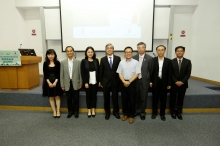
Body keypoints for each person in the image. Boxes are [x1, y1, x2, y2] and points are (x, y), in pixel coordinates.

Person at [117, 46, 140, 124]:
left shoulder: (136, 62)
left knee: (132, 100)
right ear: (124, 53)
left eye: (129, 52)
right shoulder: (121, 62)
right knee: (124, 99)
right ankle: (125, 114)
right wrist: (124, 81)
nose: (128, 54)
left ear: (132, 53)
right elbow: (119, 73)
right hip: (123, 83)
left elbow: (137, 73)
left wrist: (129, 81)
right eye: (126, 52)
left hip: (132, 83)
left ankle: (131, 116)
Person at [150, 45, 171, 121]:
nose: (160, 51)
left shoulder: (169, 61)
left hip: (164, 82)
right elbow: (151, 72)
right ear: (156, 51)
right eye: (159, 50)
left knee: (163, 99)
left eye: (162, 50)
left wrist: (169, 84)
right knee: (154, 99)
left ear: (165, 51)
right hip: (155, 82)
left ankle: (162, 114)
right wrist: (150, 81)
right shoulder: (153, 60)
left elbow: (170, 73)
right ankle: (154, 113)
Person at [133, 42, 154, 120]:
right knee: (136, 97)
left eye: (142, 47)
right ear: (137, 49)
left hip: (145, 81)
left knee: (143, 97)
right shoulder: (134, 57)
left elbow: (151, 71)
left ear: (145, 48)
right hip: (135, 81)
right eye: (139, 47)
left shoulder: (150, 58)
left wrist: (150, 81)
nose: (141, 49)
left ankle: (142, 112)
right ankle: (136, 110)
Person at [100, 43, 121, 120]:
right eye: (107, 48)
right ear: (105, 50)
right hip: (106, 82)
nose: (109, 49)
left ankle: (116, 112)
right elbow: (101, 72)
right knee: (106, 98)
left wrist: (119, 82)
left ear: (113, 49)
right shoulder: (103, 59)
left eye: (111, 48)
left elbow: (120, 71)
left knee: (115, 98)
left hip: (115, 82)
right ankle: (107, 112)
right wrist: (101, 82)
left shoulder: (118, 58)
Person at [60, 46, 82, 119]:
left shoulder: (78, 62)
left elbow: (80, 74)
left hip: (76, 83)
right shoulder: (62, 62)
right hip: (67, 83)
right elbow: (61, 74)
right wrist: (62, 84)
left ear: (73, 51)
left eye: (71, 51)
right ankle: (70, 112)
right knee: (68, 99)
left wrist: (80, 83)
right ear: (66, 52)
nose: (69, 52)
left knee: (76, 99)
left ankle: (76, 112)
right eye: (68, 51)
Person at [170, 46, 192, 120]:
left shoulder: (188, 61)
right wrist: (176, 81)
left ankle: (179, 112)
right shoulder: (171, 61)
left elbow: (188, 73)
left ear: (184, 52)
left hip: (183, 84)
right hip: (174, 84)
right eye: (178, 51)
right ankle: (172, 112)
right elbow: (170, 73)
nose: (179, 52)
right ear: (175, 52)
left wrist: (182, 81)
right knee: (172, 98)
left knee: (180, 98)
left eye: (181, 51)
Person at [81, 46, 100, 118]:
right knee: (88, 96)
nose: (90, 53)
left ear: (93, 53)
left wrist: (99, 81)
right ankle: (89, 110)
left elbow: (98, 72)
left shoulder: (96, 60)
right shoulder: (83, 61)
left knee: (94, 96)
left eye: (91, 52)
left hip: (95, 81)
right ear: (86, 53)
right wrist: (85, 82)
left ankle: (93, 110)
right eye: (88, 52)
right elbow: (82, 73)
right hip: (87, 82)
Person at [43, 49, 62, 118]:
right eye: (49, 55)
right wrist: (49, 83)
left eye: (52, 54)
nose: (50, 56)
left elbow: (59, 73)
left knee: (57, 97)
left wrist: (55, 82)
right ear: (47, 55)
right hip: (48, 82)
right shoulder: (45, 63)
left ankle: (58, 111)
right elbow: (45, 74)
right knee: (51, 97)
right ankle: (54, 111)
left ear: (54, 55)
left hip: (56, 81)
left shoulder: (58, 63)